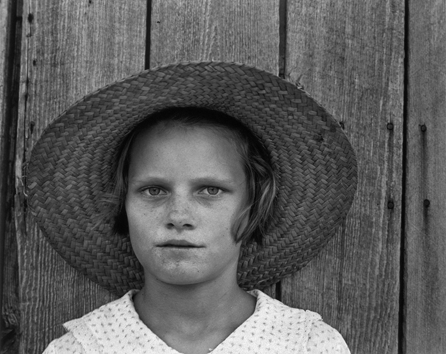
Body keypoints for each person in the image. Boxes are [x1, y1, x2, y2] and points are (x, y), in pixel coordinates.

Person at [26, 62, 357, 354]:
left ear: (253, 204)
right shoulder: (81, 348)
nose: (178, 217)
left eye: (210, 190)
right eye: (153, 190)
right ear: (123, 203)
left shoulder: (308, 345)